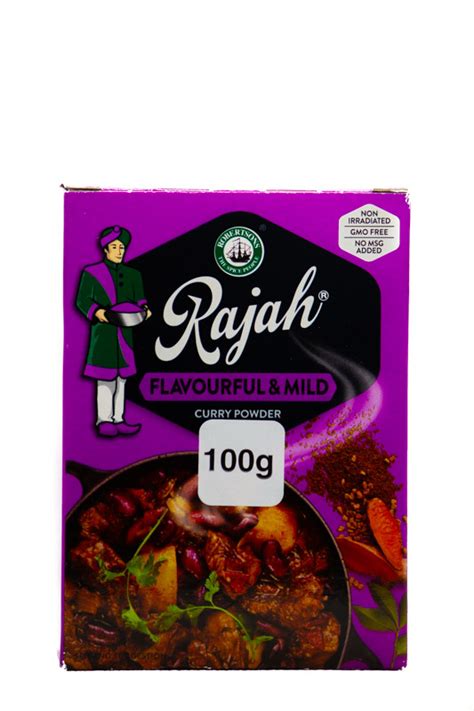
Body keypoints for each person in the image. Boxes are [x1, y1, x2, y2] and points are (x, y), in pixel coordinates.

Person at [76, 225, 151, 436]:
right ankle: (104, 420)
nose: (119, 251)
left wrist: (145, 310)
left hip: (125, 334)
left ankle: (119, 418)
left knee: (122, 379)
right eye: (115, 247)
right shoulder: (92, 273)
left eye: (122, 247)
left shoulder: (133, 274)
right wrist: (98, 312)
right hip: (104, 335)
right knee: (105, 378)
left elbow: (140, 300)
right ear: (106, 249)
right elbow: (82, 300)